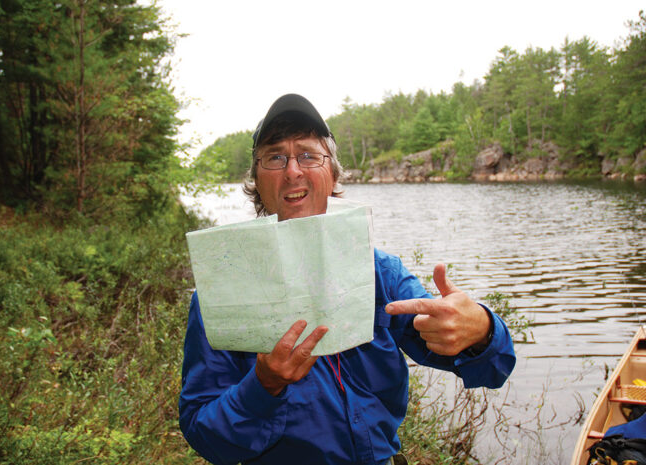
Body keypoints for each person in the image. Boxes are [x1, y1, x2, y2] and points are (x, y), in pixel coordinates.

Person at [178, 93, 516, 465]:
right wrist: (264, 386)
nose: (293, 170)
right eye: (275, 157)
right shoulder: (223, 293)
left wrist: (481, 331)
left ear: (333, 174)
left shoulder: (381, 274)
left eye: (308, 154)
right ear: (257, 182)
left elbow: (495, 368)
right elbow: (204, 436)